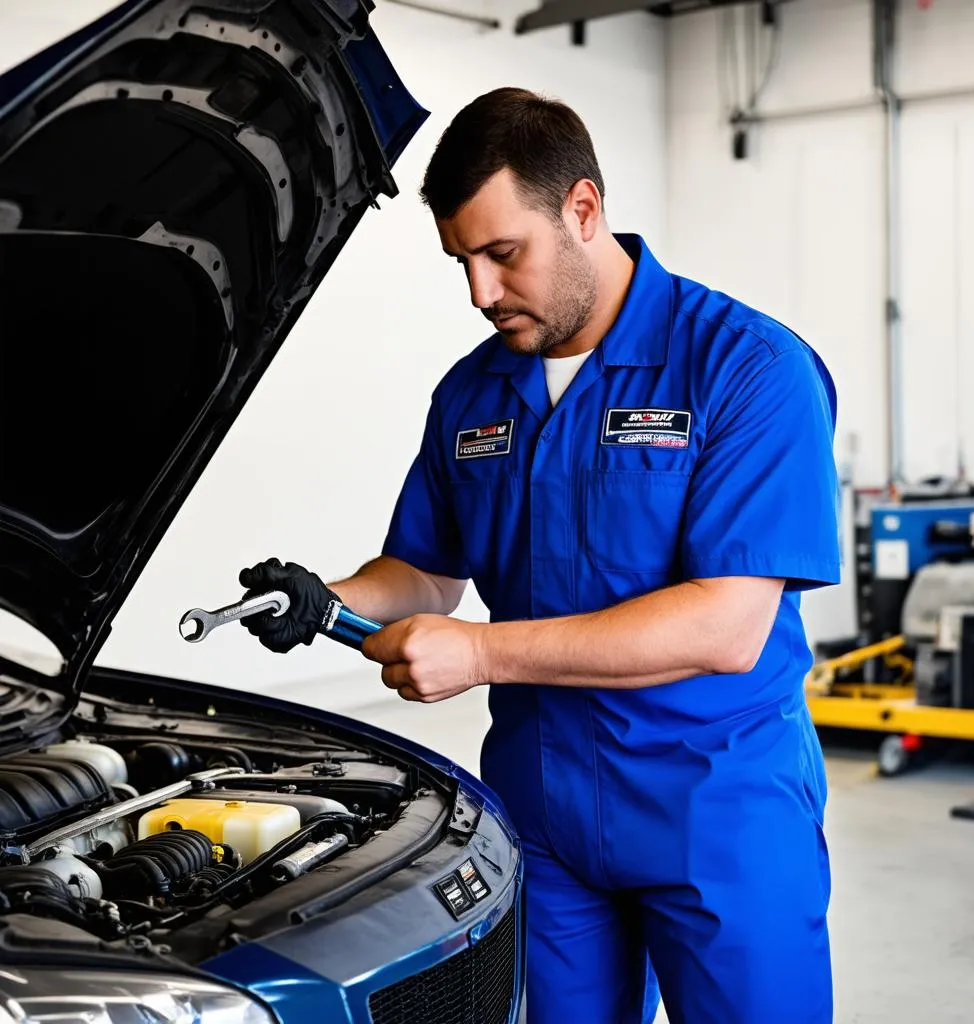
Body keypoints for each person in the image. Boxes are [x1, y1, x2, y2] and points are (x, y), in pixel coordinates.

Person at [238, 87, 841, 1023]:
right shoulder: (474, 392)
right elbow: (428, 570)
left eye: (501, 253)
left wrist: (478, 652)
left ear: (584, 210)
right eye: (461, 262)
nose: (480, 292)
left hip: (720, 810)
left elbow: (727, 625)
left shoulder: (748, 368)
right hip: (545, 817)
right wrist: (324, 598)